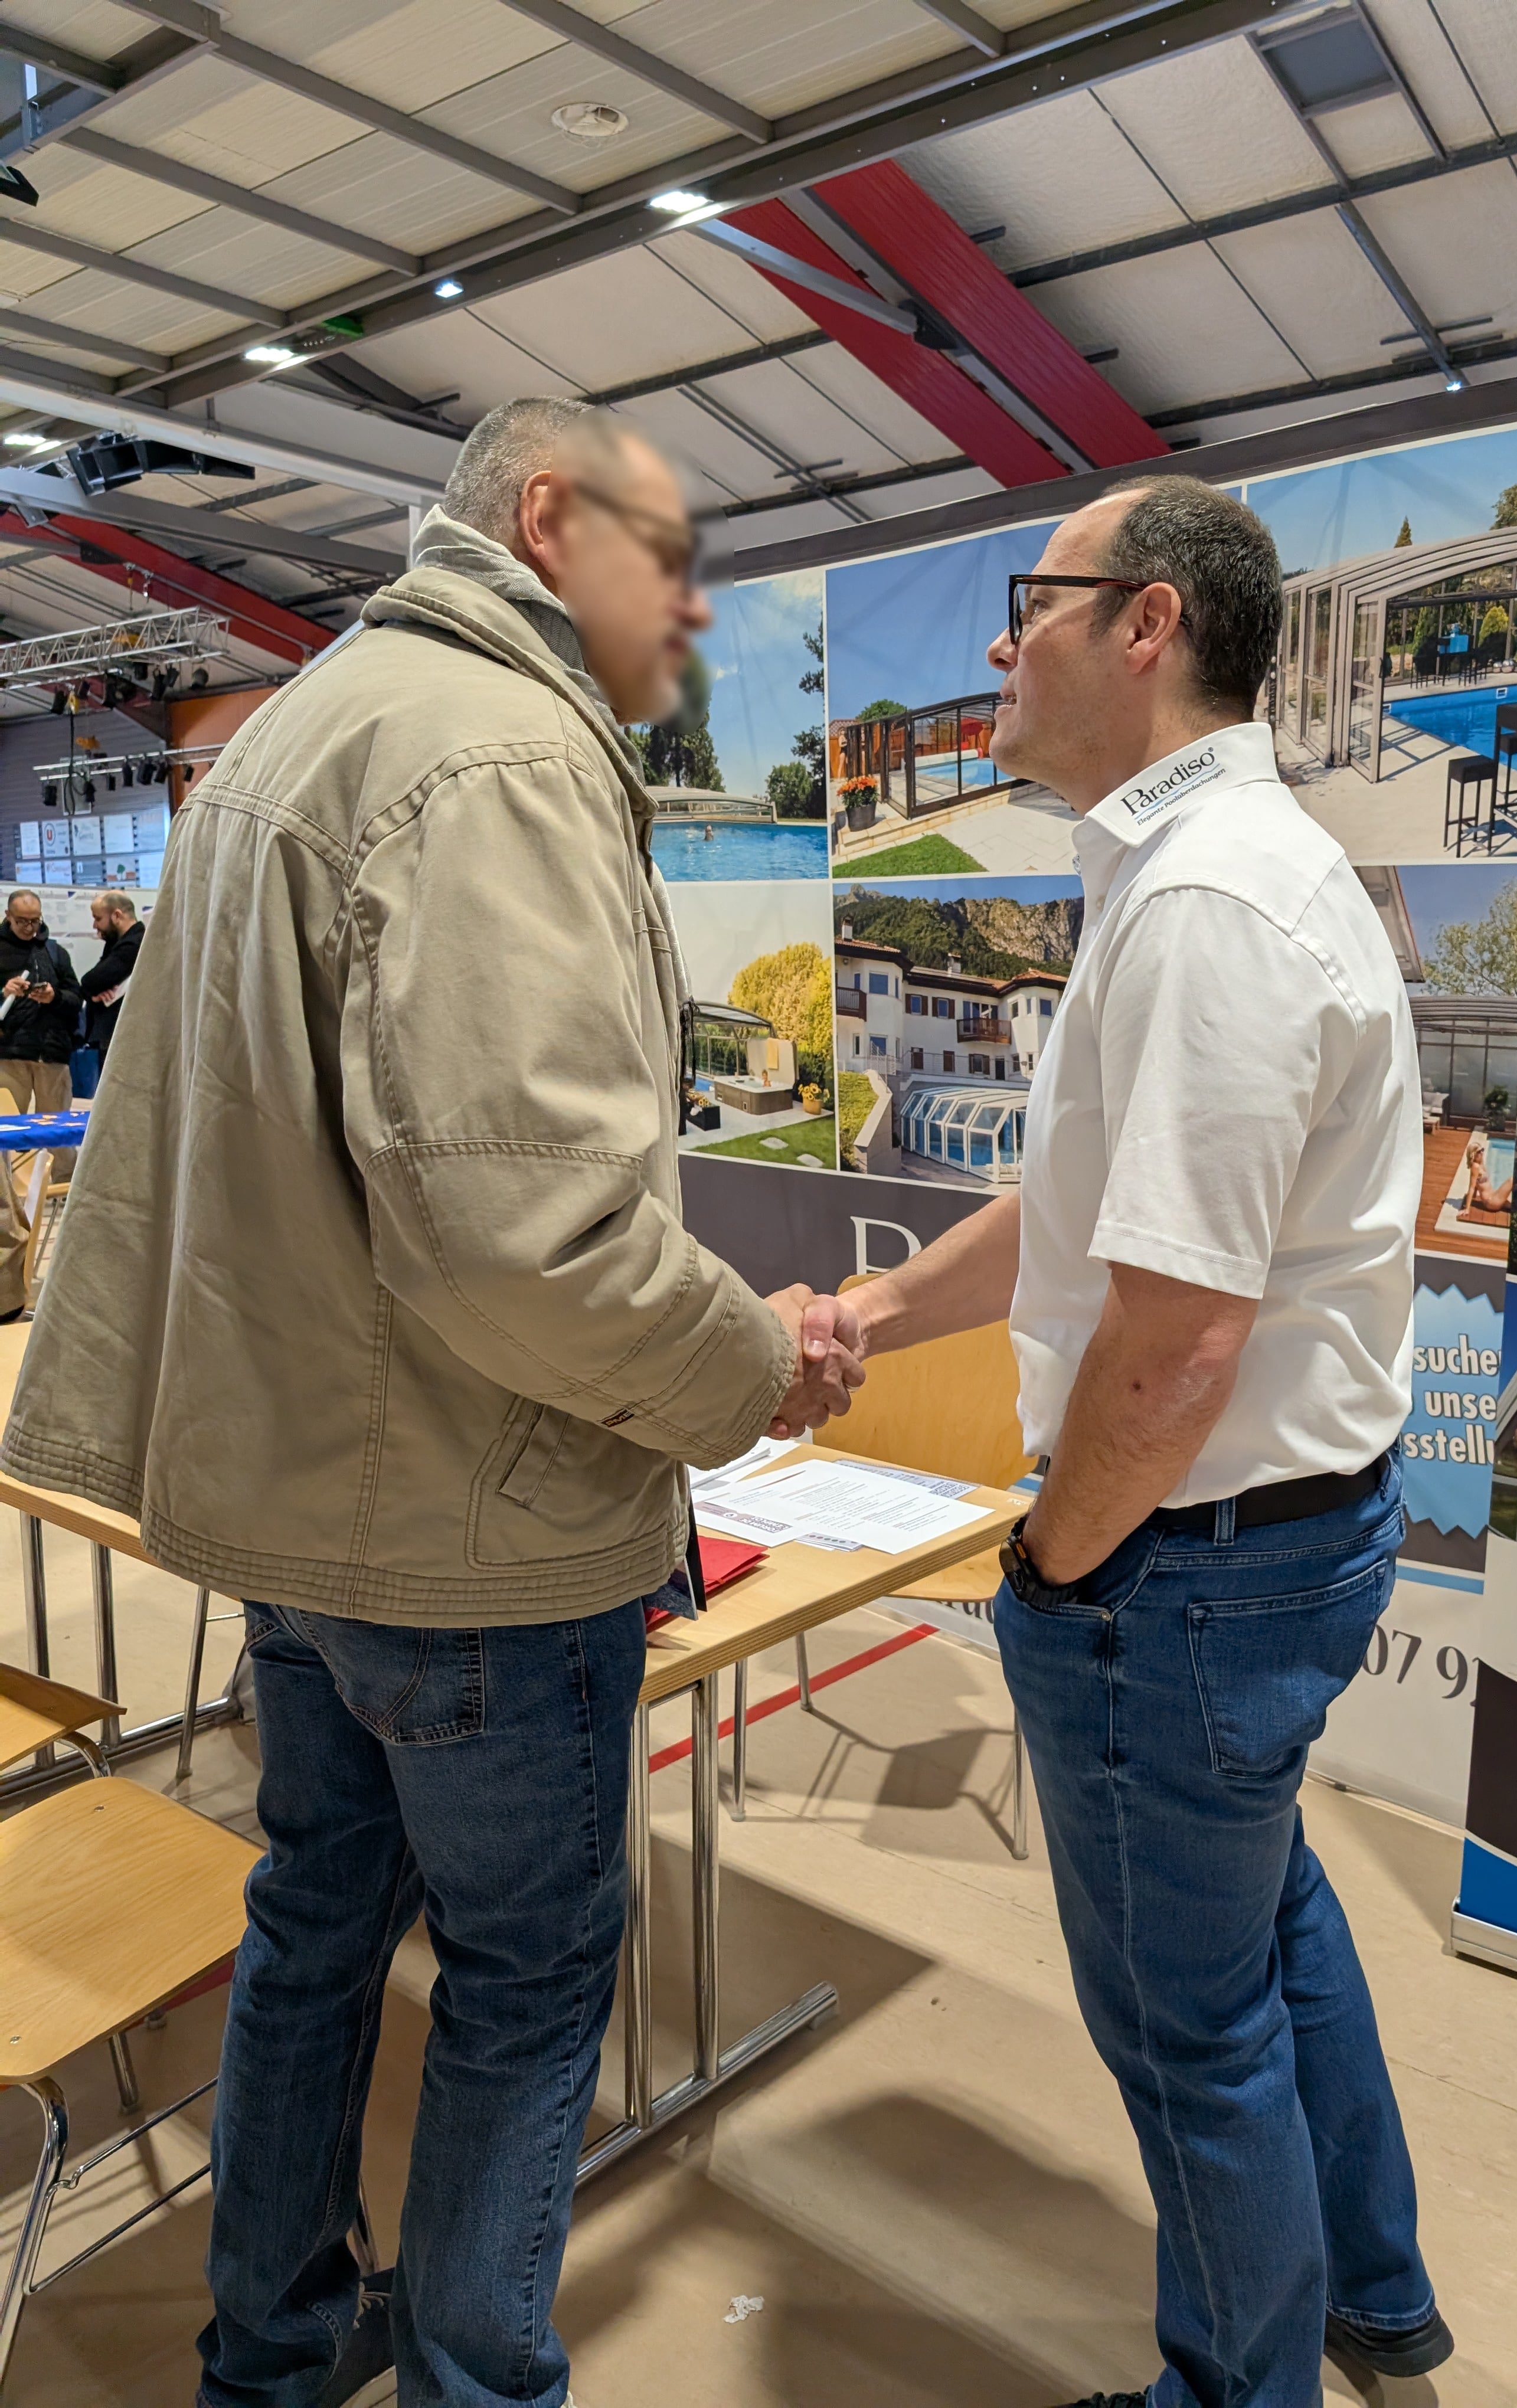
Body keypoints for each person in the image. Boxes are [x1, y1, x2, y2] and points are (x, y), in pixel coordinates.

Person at [0, 396, 864, 2408]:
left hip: (309, 1503)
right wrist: (751, 1370)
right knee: (531, 1972)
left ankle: (274, 2355)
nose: (694, 620)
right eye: (671, 563)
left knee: (315, 1925)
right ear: (545, 520)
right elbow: (528, 1236)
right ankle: (482, 2376)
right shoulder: (492, 755)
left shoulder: (297, 730)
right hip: (470, 1527)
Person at [799, 477, 1448, 2408]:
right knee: (1263, 1931)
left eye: (1035, 602)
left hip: (1190, 1572)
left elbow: (1170, 1344)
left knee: (1185, 2028)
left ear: (1146, 623)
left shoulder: (1208, 907)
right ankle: (1373, 2294)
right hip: (1260, 1548)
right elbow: (1093, 1205)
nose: (1001, 644)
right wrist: (866, 1315)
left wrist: (1061, 1562)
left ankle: (1229, 2390)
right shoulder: (1174, 873)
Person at [0, 887, 81, 1115]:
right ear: (8, 916)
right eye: (22, 921)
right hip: (9, 1055)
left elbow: (76, 999)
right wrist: (4, 992)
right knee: (8, 1135)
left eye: (35, 921)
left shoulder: (55, 951)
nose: (29, 928)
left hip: (52, 1053)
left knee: (59, 1136)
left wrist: (54, 997)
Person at [79, 889, 145, 1071]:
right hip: (115, 1035)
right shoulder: (116, 944)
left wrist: (92, 991)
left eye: (98, 919)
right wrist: (94, 997)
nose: (95, 925)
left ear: (117, 916)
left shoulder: (134, 944)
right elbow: (91, 987)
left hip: (125, 1037)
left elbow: (90, 981)